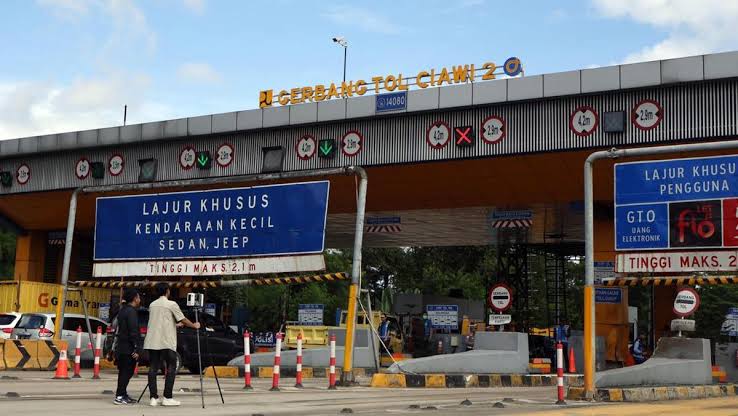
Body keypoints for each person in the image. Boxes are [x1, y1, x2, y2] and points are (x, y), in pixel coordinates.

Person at [144, 283, 200, 407]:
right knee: (171, 367)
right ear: (167, 291)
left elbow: (160, 322)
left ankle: (153, 398)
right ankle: (167, 397)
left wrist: (174, 325)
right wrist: (194, 325)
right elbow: (183, 319)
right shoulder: (171, 304)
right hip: (166, 341)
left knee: (153, 368)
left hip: (152, 341)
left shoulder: (152, 305)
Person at [113, 289, 141, 405]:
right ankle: (120, 396)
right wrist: (136, 348)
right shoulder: (131, 312)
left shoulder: (123, 310)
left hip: (121, 346)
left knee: (124, 372)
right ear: (134, 298)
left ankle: (123, 394)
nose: (139, 299)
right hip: (128, 347)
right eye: (138, 297)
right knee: (126, 372)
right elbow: (133, 330)